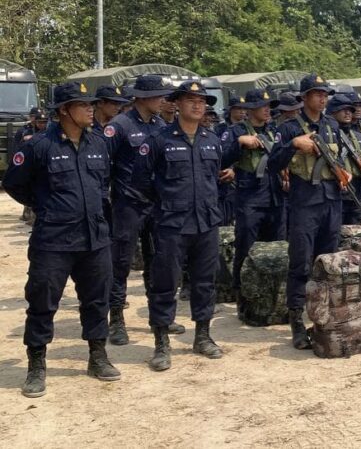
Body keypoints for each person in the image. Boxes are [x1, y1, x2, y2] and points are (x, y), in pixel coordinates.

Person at [3, 82, 120, 397]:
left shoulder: (98, 143)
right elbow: (14, 184)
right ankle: (36, 365)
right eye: (83, 105)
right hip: (53, 240)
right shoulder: (39, 145)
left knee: (96, 300)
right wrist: (45, 207)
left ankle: (97, 356)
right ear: (64, 110)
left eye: (91, 104)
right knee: (42, 301)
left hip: (94, 238)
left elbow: (103, 182)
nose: (90, 109)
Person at [134, 80, 225, 371]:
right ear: (177, 104)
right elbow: (141, 183)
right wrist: (161, 211)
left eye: (202, 101)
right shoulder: (160, 141)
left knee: (204, 282)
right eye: (190, 100)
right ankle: (161, 343)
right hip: (171, 224)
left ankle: (203, 336)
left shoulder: (212, 140)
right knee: (164, 284)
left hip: (206, 222)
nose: (198, 105)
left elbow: (214, 180)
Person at [268, 75, 346, 349]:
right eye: (316, 94)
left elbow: (339, 160)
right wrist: (292, 145)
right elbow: (272, 164)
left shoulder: (331, 125)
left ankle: (323, 319)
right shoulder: (289, 128)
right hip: (304, 204)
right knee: (300, 264)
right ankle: (297, 323)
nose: (322, 98)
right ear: (304, 97)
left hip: (331, 202)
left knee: (327, 264)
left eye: (325, 94)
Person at [104, 75, 182, 346]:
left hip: (156, 205)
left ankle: (160, 317)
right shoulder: (119, 126)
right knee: (121, 263)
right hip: (127, 205)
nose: (164, 101)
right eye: (160, 96)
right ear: (142, 98)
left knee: (159, 262)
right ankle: (116, 320)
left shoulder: (160, 125)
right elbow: (103, 166)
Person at [220, 89, 286, 307]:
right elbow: (222, 159)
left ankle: (272, 296)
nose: (267, 109)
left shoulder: (274, 131)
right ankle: (242, 294)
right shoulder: (235, 131)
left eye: (268, 106)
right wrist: (239, 143)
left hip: (275, 197)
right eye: (262, 106)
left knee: (275, 249)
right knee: (246, 247)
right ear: (249, 109)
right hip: (250, 199)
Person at [327, 93, 361, 225]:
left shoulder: (359, 137)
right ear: (332, 111)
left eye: (350, 110)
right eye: (344, 110)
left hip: (357, 192)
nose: (348, 113)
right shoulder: (327, 135)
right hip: (335, 193)